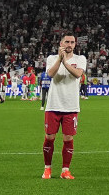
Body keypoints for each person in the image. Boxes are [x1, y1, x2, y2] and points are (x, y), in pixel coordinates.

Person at [41, 34, 87, 180]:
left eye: (72, 42)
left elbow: (78, 74)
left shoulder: (80, 59)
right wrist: (60, 59)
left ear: (75, 44)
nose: (70, 44)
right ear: (61, 43)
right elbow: (51, 74)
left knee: (68, 138)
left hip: (71, 106)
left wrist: (65, 63)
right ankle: (47, 168)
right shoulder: (51, 58)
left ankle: (65, 170)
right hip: (53, 105)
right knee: (49, 137)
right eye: (67, 41)